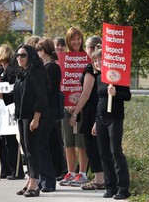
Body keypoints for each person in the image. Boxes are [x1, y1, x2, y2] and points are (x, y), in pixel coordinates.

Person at [0, 44, 48, 197]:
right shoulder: (22, 74)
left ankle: (34, 184)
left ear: (30, 57)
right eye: (18, 56)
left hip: (32, 117)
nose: (19, 58)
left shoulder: (36, 73)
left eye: (23, 55)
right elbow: (13, 95)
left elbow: (41, 98)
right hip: (21, 116)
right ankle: (29, 181)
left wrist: (36, 119)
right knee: (26, 150)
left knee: (32, 151)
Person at [92, 47, 131, 200]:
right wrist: (95, 122)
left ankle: (123, 188)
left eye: (99, 60)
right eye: (94, 60)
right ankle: (110, 186)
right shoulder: (98, 78)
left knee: (116, 151)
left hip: (114, 118)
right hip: (100, 119)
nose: (97, 63)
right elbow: (99, 101)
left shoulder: (117, 77)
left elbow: (127, 96)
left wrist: (116, 93)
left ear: (106, 61)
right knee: (104, 153)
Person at [69, 36, 105, 190]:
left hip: (91, 111)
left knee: (92, 146)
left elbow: (86, 94)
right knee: (96, 146)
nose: (88, 50)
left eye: (89, 47)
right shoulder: (99, 67)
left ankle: (99, 179)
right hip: (98, 109)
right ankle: (100, 178)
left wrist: (75, 113)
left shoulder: (91, 69)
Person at [59, 27, 88, 186]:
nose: (76, 42)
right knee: (68, 142)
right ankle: (71, 172)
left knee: (81, 143)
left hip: (82, 109)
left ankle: (82, 173)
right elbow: (61, 83)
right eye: (73, 39)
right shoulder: (63, 60)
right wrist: (67, 105)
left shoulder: (87, 59)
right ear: (68, 41)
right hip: (66, 109)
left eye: (79, 39)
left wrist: (78, 107)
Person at [0, 44, 25, 180]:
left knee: (10, 140)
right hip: (2, 108)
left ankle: (16, 170)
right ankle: (5, 169)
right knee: (2, 139)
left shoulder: (12, 70)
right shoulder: (2, 70)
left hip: (10, 107)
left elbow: (11, 88)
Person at [35, 37, 62, 192]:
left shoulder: (51, 68)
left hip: (48, 112)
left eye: (38, 51)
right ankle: (41, 178)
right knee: (43, 145)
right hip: (45, 111)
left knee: (43, 145)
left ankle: (48, 180)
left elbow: (46, 90)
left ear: (43, 51)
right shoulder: (45, 67)